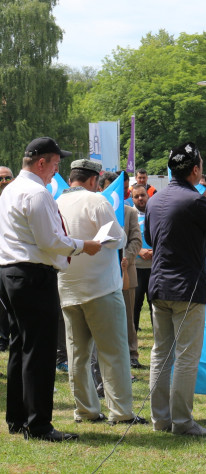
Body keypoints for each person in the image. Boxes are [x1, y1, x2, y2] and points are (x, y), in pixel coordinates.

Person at [0, 137, 102, 442]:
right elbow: (50, 241)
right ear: (41, 162)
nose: (57, 170)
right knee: (40, 350)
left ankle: (18, 418)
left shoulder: (10, 190)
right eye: (55, 163)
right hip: (32, 274)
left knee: (21, 346)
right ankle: (39, 424)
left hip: (10, 272)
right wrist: (85, 245)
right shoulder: (36, 193)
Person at [145, 142, 206, 436]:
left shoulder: (154, 200)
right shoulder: (196, 201)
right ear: (195, 170)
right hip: (187, 287)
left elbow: (149, 236)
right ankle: (182, 422)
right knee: (185, 356)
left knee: (160, 354)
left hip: (159, 285)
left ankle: (161, 420)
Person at [57, 160, 145, 425]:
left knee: (77, 354)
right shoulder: (96, 201)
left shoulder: (55, 202)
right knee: (113, 352)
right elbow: (118, 238)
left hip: (68, 286)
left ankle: (85, 410)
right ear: (94, 180)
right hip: (101, 288)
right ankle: (121, 412)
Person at [99, 172, 144, 370]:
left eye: (124, 188)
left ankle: (131, 354)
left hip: (126, 271)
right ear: (102, 188)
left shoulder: (129, 212)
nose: (122, 192)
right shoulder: (96, 210)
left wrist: (128, 257)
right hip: (100, 273)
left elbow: (136, 239)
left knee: (127, 317)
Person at [131, 184, 154, 331]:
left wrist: (154, 252)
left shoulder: (156, 212)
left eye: (143, 195)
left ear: (148, 195)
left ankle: (158, 333)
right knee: (135, 304)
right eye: (136, 196)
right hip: (137, 267)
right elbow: (125, 237)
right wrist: (139, 251)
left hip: (154, 267)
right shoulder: (129, 214)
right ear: (132, 198)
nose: (140, 198)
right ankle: (133, 334)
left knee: (155, 303)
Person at [0, 167, 12, 351]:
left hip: (11, 260)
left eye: (7, 178)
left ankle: (6, 337)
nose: (3, 181)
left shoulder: (14, 201)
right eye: (0, 178)